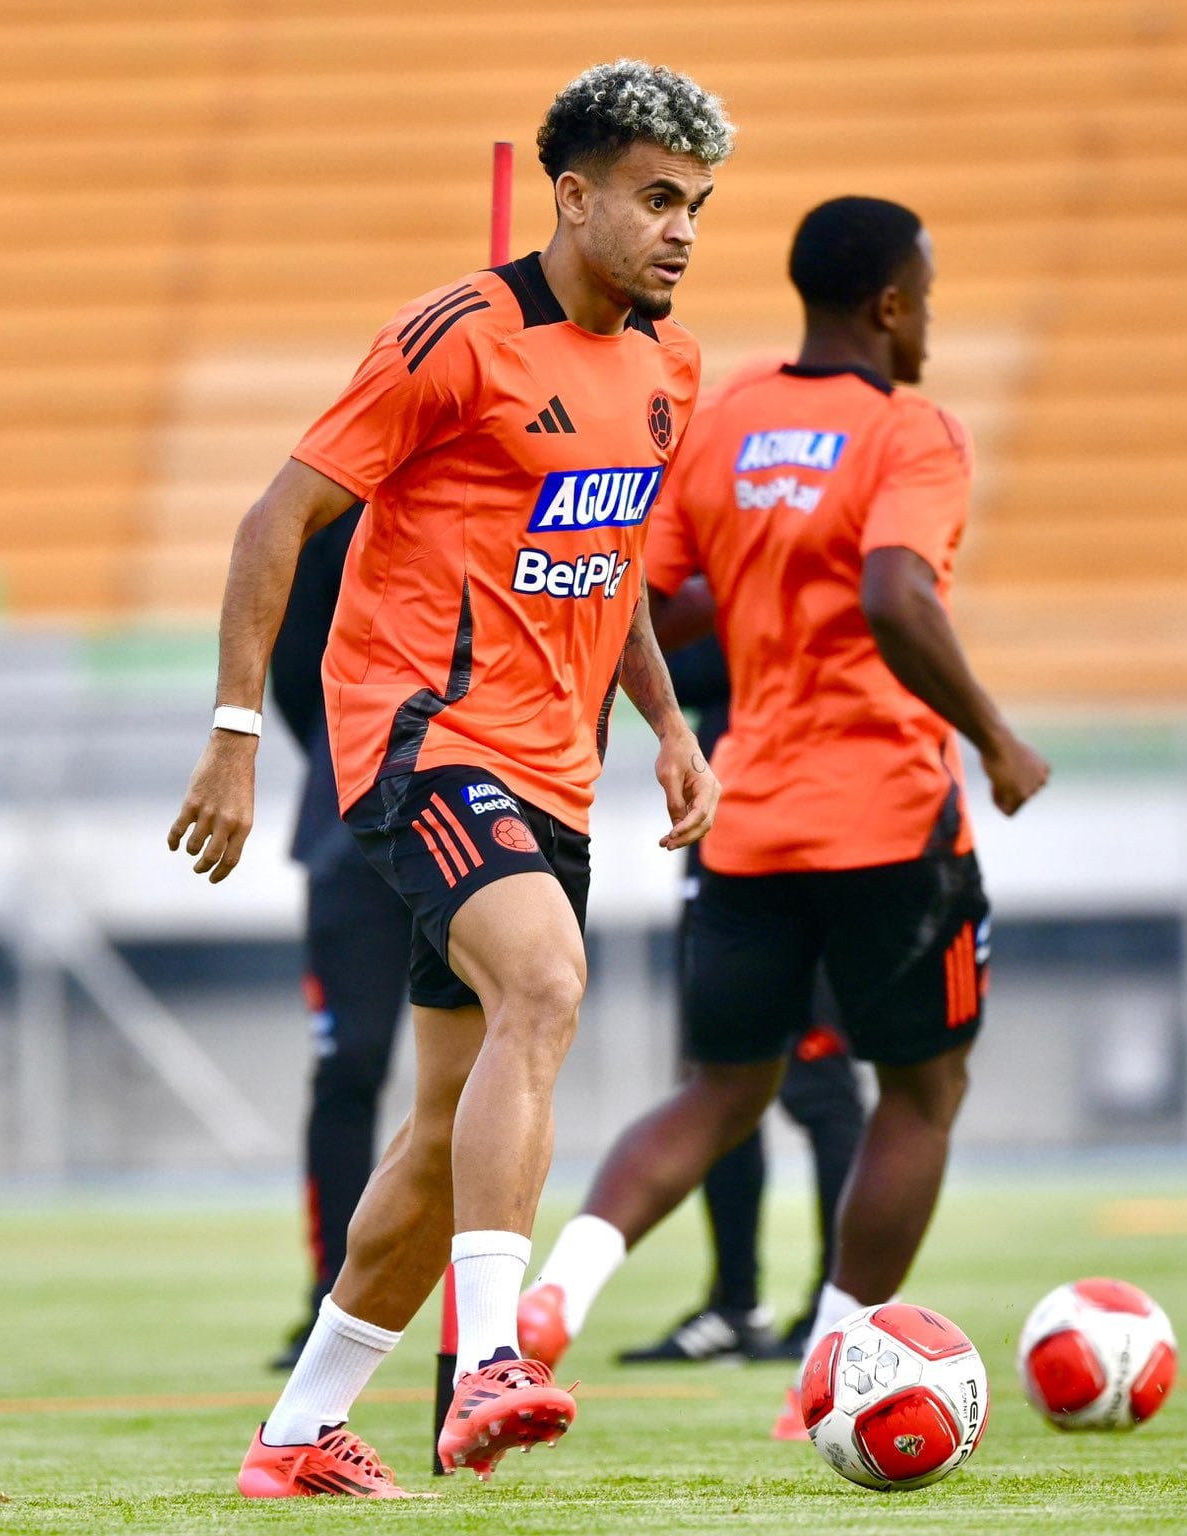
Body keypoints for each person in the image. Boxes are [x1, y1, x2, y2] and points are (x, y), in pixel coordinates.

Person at [167, 60, 731, 1498]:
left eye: (698, 207)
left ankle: (299, 1431)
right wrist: (235, 736)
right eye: (658, 200)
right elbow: (274, 518)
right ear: (573, 195)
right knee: (544, 983)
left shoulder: (671, 368)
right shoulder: (455, 337)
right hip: (419, 732)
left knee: (437, 1135)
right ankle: (493, 1358)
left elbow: (605, 578)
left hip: (558, 765)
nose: (680, 230)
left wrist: (665, 722)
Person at [516, 197, 1052, 1436]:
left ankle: (555, 1298)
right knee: (920, 1095)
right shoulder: (910, 431)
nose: (929, 321)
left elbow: (641, 602)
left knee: (719, 1091)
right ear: (888, 305)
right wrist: (995, 737)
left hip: (747, 818)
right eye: (925, 297)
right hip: (887, 818)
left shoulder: (729, 419)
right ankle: (826, 1375)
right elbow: (895, 593)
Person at [618, 630, 865, 1365]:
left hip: (808, 835)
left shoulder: (793, 541)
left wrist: (693, 623)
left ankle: (841, 1303)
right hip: (724, 831)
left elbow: (761, 651)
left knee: (821, 1088)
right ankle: (736, 1303)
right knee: (720, 1082)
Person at [265, 502, 415, 1371]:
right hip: (351, 830)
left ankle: (471, 1311)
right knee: (350, 1065)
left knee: (477, 1072)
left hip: (472, 806)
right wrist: (344, 754)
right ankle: (334, 1294)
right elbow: (295, 670)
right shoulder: (338, 512)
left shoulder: (501, 472)